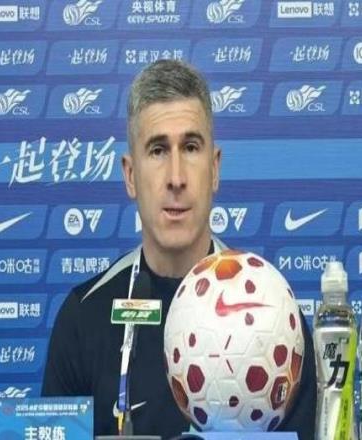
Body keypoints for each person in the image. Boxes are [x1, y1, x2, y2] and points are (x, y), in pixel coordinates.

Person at [42, 59, 316, 439]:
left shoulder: (275, 316)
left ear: (215, 168)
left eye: (190, 147)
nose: (176, 178)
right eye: (157, 150)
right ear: (130, 175)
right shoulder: (83, 318)